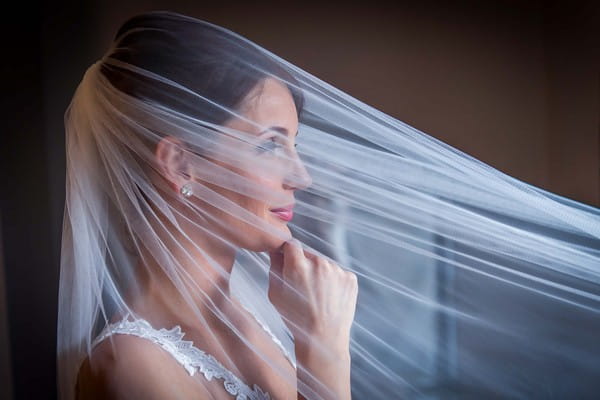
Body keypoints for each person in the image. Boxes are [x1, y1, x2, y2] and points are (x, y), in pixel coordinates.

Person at [58, 10, 600, 400]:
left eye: (295, 145)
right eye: (271, 144)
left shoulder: (262, 313)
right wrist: (323, 355)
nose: (302, 175)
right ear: (180, 165)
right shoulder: (132, 369)